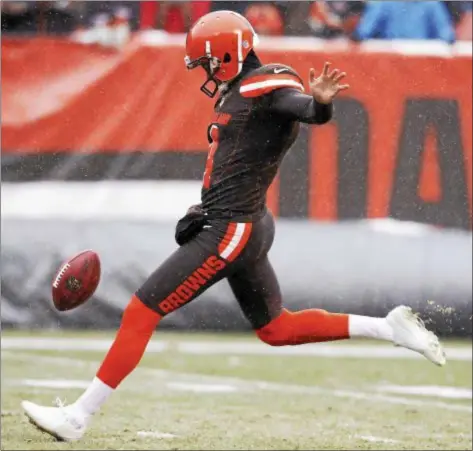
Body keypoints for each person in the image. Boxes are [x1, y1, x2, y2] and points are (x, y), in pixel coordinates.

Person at [21, 10, 446, 442]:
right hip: (242, 221)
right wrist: (203, 208)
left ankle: (78, 416)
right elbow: (234, 163)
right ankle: (387, 327)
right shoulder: (240, 91)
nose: (205, 73)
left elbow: (305, 111)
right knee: (277, 328)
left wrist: (319, 103)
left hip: (233, 229)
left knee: (140, 311)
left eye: (206, 63)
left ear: (226, 55)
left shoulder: (266, 84)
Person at [352, 1, 455, 43]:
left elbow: (448, 37)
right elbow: (362, 33)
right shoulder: (383, 3)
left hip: (423, 63)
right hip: (391, 62)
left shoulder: (432, 4)